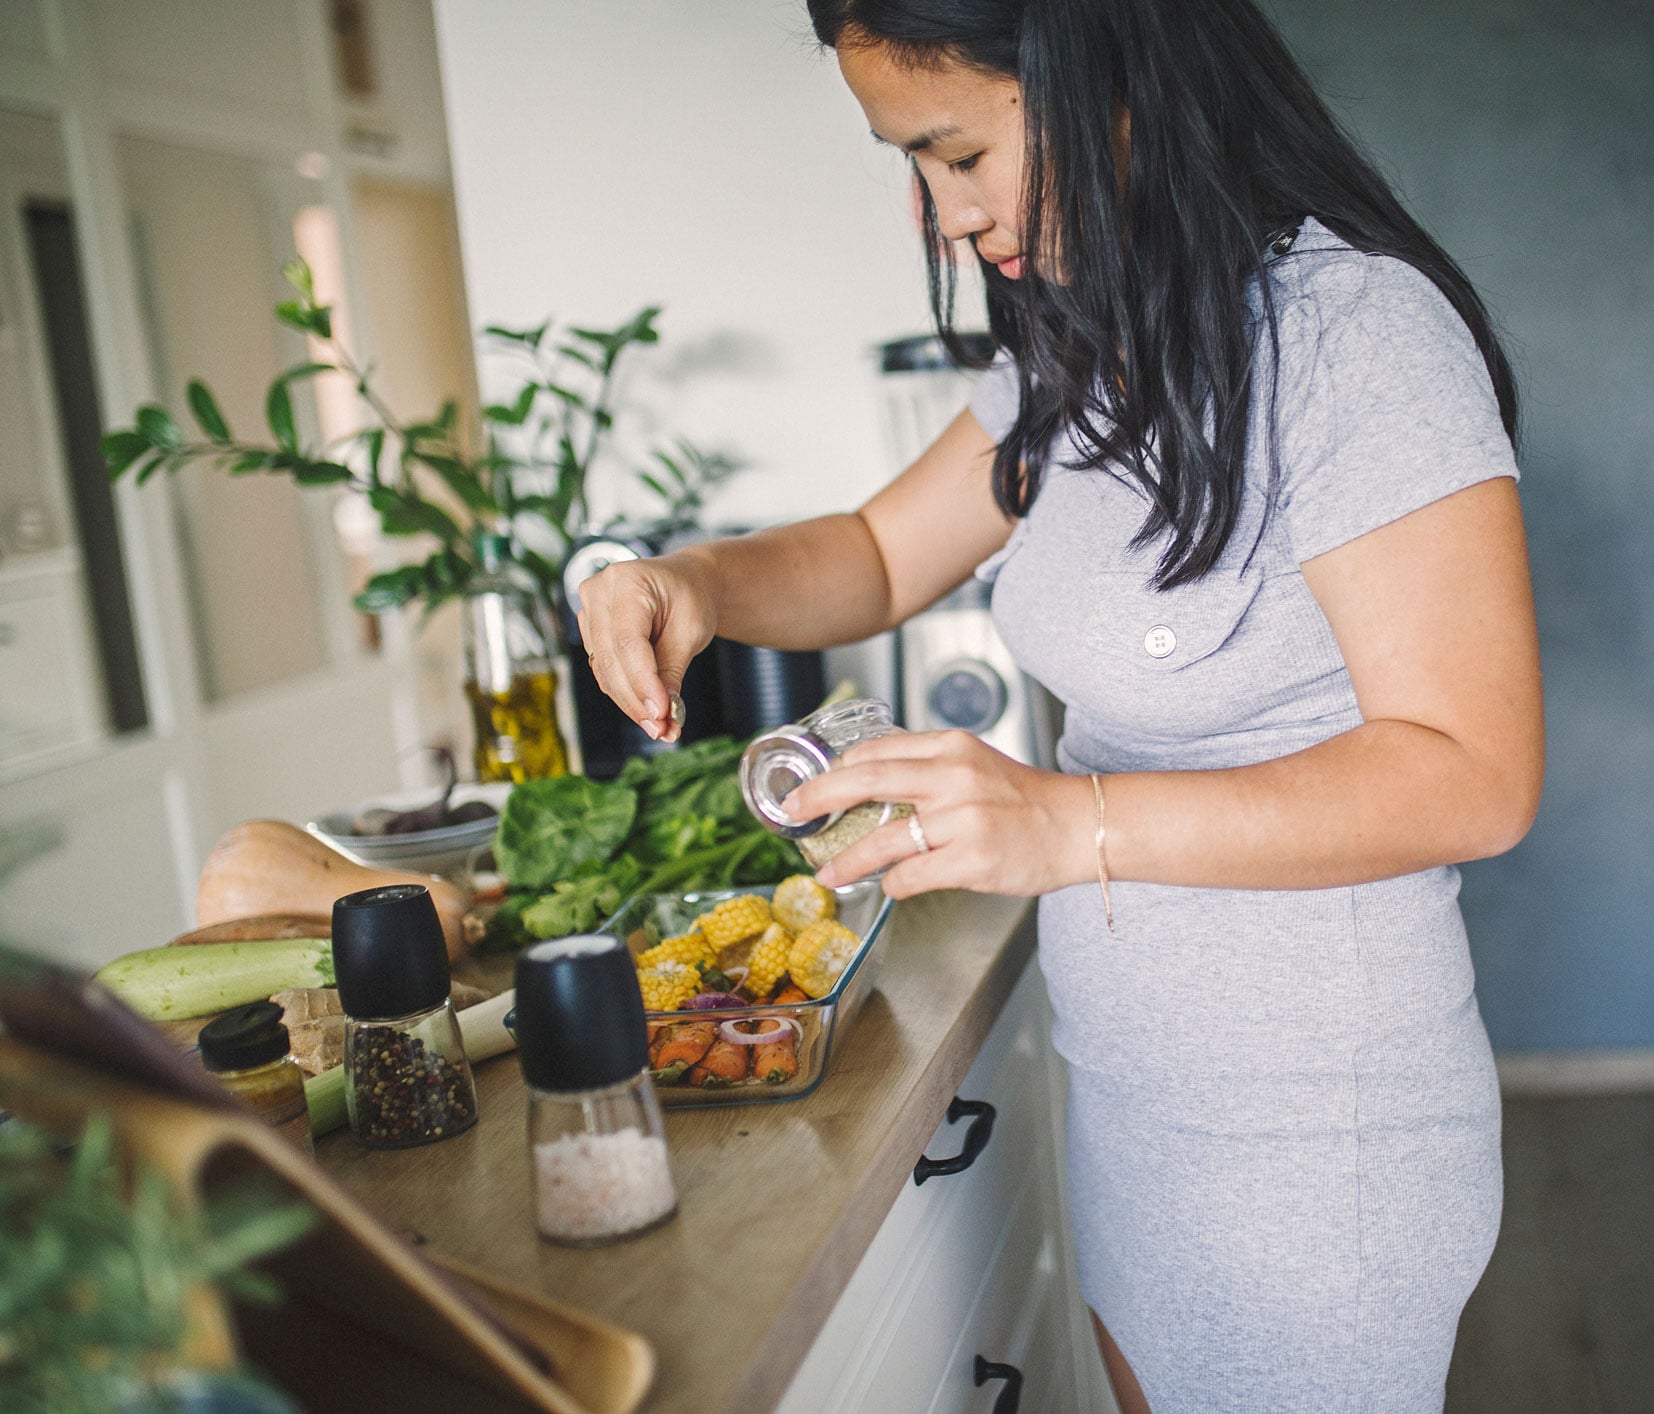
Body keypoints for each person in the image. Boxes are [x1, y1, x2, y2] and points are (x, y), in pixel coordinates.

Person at [576, 1, 1544, 1409]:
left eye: (957, 152)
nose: (943, 215)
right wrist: (693, 579)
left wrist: (1059, 820)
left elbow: (1470, 771)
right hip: (1144, 1094)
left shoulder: (1357, 337)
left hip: (1312, 1139)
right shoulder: (1085, 345)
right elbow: (870, 553)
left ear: (1105, 65)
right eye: (913, 166)